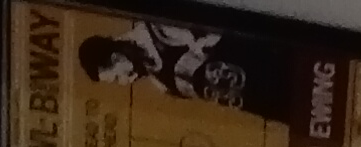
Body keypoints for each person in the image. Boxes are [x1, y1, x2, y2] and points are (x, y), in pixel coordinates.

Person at [75, 21, 249, 103]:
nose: (123, 83)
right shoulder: (161, 85)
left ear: (117, 58)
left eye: (117, 78)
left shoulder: (161, 29)